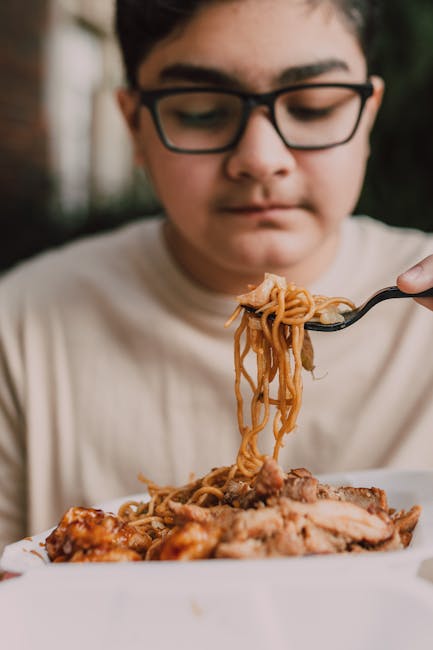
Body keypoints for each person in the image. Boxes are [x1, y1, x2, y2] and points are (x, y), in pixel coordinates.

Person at [0, 0, 432, 553]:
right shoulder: (21, 329)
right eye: (202, 110)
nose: (261, 157)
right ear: (134, 125)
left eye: (314, 106)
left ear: (367, 115)